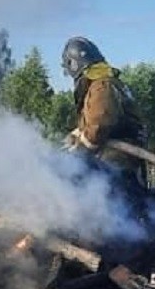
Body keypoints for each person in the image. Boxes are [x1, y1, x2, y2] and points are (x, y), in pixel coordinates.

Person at [60, 36, 149, 189]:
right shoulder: (110, 82)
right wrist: (75, 136)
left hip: (114, 162)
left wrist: (79, 150)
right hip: (125, 161)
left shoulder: (101, 85)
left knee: (71, 179)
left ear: (73, 64)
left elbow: (99, 125)